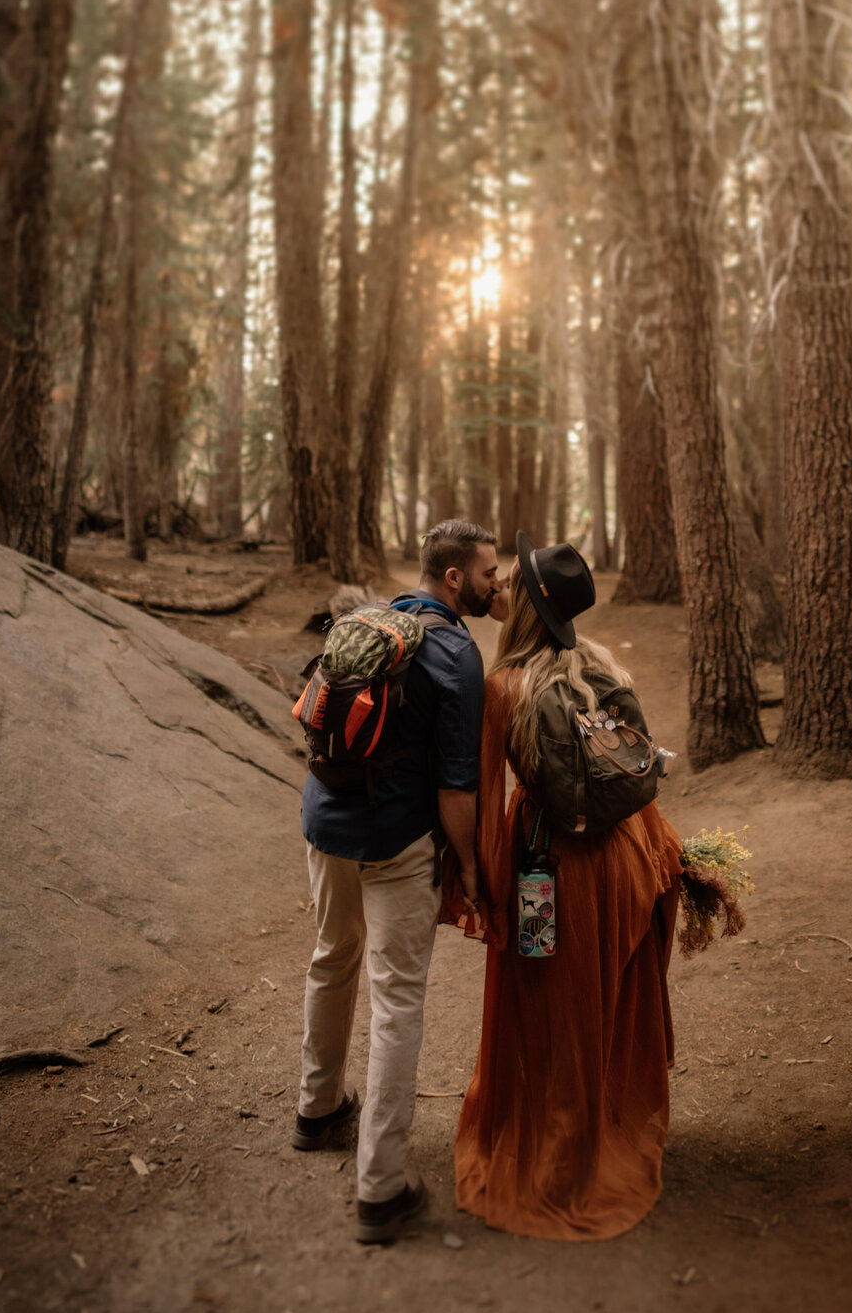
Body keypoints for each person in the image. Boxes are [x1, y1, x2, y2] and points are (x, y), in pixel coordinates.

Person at [443, 532, 687, 1242]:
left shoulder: (503, 688)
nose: (502, 588)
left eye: (513, 582)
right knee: (601, 1002)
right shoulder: (600, 664)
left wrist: (479, 890)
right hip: (623, 859)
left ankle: (558, 1164)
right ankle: (603, 1127)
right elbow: (635, 773)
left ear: (527, 606)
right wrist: (664, 859)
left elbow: (489, 804)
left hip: (545, 873)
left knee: (548, 1009)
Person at [292, 518, 498, 1243]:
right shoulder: (453, 651)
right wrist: (469, 864)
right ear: (453, 579)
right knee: (397, 997)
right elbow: (455, 785)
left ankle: (316, 1110)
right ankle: (380, 1187)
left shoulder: (372, 618)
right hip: (395, 838)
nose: (495, 584)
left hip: (324, 819)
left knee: (330, 956)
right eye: (486, 574)